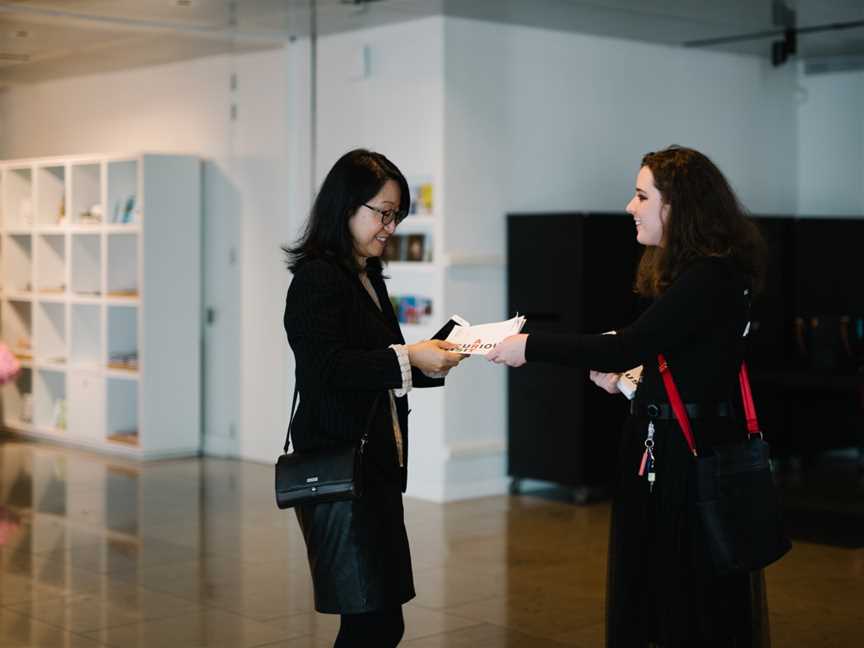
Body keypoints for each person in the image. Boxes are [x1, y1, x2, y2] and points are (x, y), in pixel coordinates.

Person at [488, 145, 771, 647]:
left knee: (682, 591)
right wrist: (628, 380)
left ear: (678, 206)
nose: (630, 206)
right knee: (663, 584)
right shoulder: (700, 275)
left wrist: (529, 346)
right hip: (671, 449)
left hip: (688, 458)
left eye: (642, 195)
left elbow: (635, 344)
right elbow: (676, 360)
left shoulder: (709, 276)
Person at [283, 149, 464, 647]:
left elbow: (380, 363)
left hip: (375, 466)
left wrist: (437, 356)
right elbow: (326, 370)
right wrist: (411, 357)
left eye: (397, 214)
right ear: (346, 208)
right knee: (372, 621)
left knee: (381, 619)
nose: (391, 225)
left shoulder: (367, 275)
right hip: (343, 469)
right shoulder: (318, 279)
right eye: (383, 212)